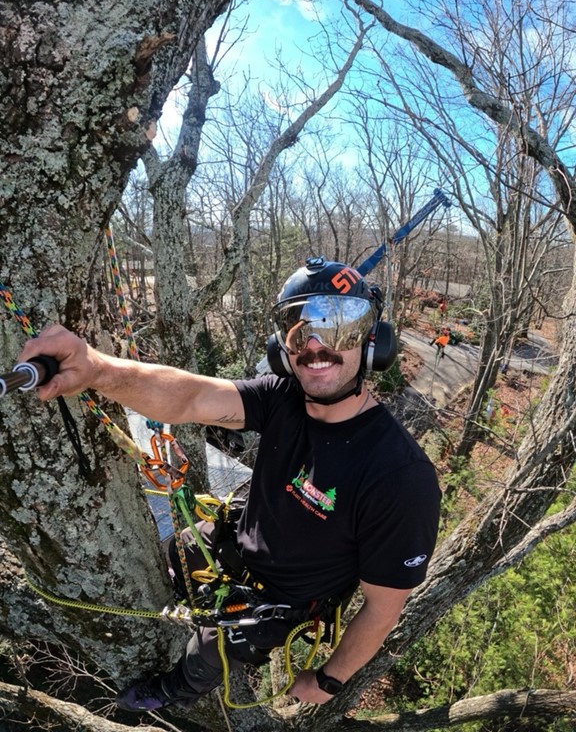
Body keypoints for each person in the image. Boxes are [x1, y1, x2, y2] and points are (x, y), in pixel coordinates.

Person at [19, 256, 441, 711]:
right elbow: (190, 396)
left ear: (373, 341)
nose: (316, 347)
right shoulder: (282, 398)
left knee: (207, 655)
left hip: (274, 604)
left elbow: (383, 607)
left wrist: (328, 680)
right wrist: (96, 369)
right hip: (230, 542)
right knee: (169, 555)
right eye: (299, 331)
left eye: (340, 329)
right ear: (283, 347)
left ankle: (173, 690)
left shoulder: (401, 477)